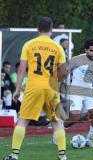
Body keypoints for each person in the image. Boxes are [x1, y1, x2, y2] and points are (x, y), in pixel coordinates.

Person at [3, 17, 68, 160]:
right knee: (57, 122)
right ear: (52, 30)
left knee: (23, 120)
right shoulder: (58, 47)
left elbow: (21, 69)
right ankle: (62, 157)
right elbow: (64, 72)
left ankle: (14, 155)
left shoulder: (29, 45)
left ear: (37, 29)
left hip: (33, 86)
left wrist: (18, 89)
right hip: (51, 88)